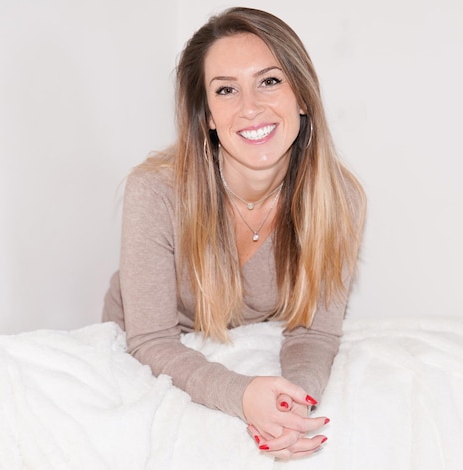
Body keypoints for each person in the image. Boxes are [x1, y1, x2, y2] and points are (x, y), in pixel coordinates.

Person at [103, 6, 365, 460]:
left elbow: (314, 334)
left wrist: (290, 405)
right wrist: (242, 394)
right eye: (226, 90)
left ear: (301, 96)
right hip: (144, 354)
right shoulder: (155, 191)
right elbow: (149, 340)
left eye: (269, 81)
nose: (250, 107)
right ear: (206, 115)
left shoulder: (340, 201)